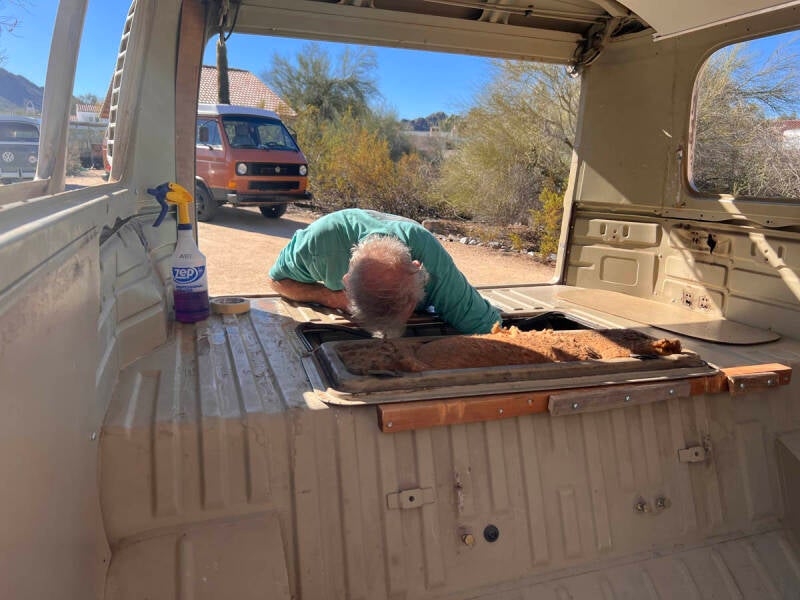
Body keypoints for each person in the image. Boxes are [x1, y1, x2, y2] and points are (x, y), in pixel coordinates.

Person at [269, 208, 501, 338]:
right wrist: (328, 297)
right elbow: (277, 281)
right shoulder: (321, 242)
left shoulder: (430, 256)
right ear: (346, 282)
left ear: (419, 272)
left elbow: (488, 329)